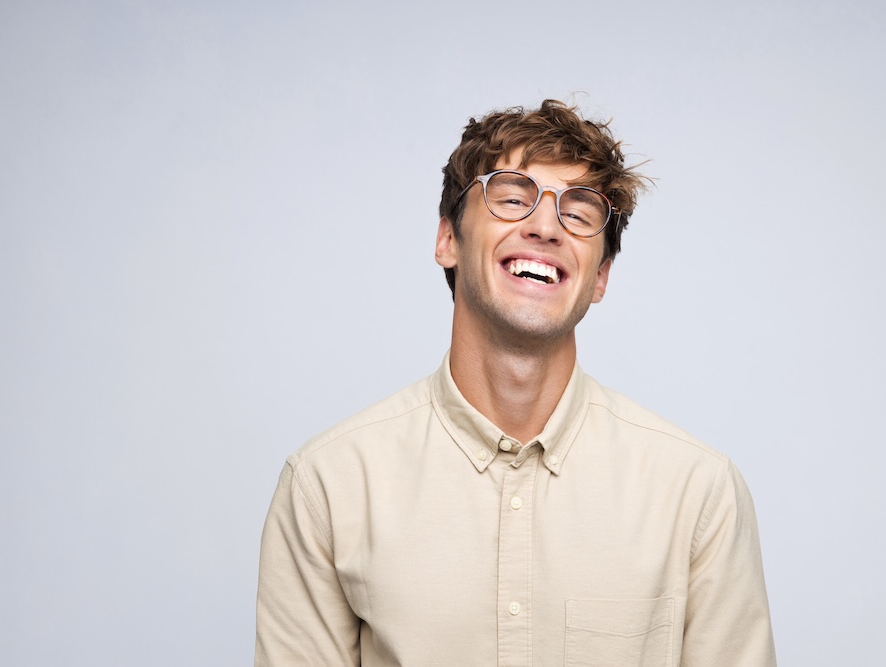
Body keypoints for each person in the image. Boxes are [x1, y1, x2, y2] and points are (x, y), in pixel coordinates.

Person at [254, 100, 776, 666]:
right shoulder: (328, 486)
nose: (546, 226)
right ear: (448, 240)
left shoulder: (697, 492)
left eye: (579, 214)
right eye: (511, 198)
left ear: (599, 277)